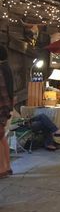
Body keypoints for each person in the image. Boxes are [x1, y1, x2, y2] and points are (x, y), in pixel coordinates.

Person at [0, 45, 13, 178]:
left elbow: (3, 90)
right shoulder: (7, 67)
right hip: (6, 106)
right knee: (2, 137)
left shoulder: (2, 68)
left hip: (3, 107)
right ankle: (7, 166)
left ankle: (2, 169)